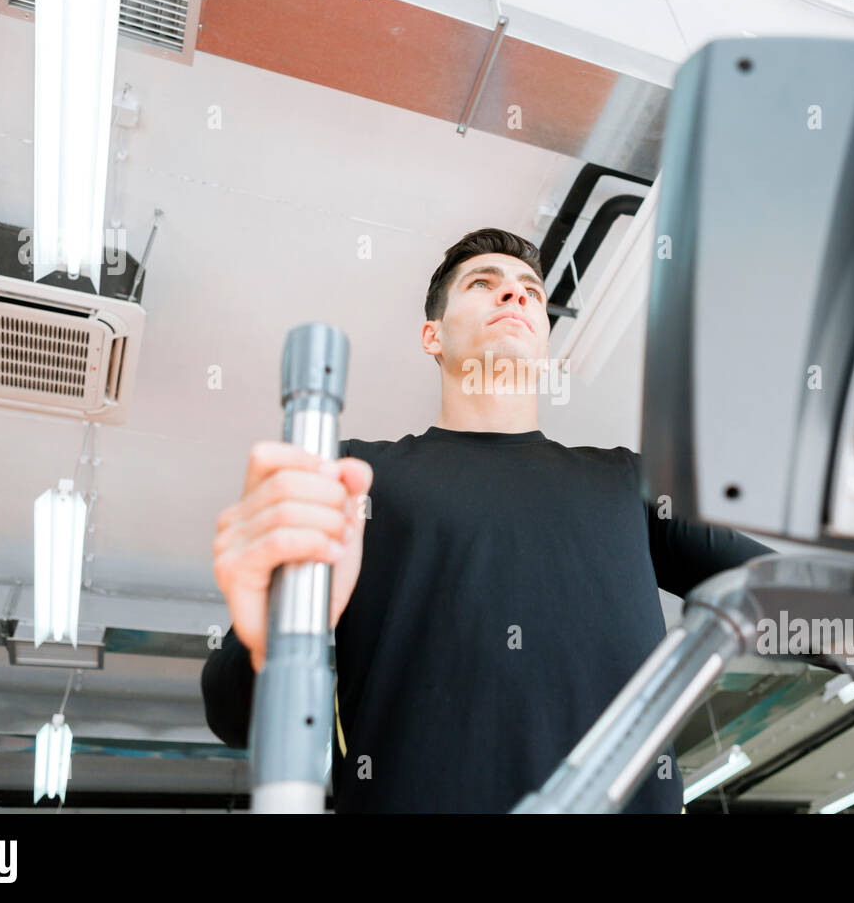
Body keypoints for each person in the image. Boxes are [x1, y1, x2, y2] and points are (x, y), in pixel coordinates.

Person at [201, 226, 773, 813]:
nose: (516, 295)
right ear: (433, 336)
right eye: (484, 283)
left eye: (530, 290)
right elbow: (233, 716)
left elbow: (815, 607)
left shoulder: (631, 483)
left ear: (546, 343)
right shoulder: (355, 476)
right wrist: (270, 630)